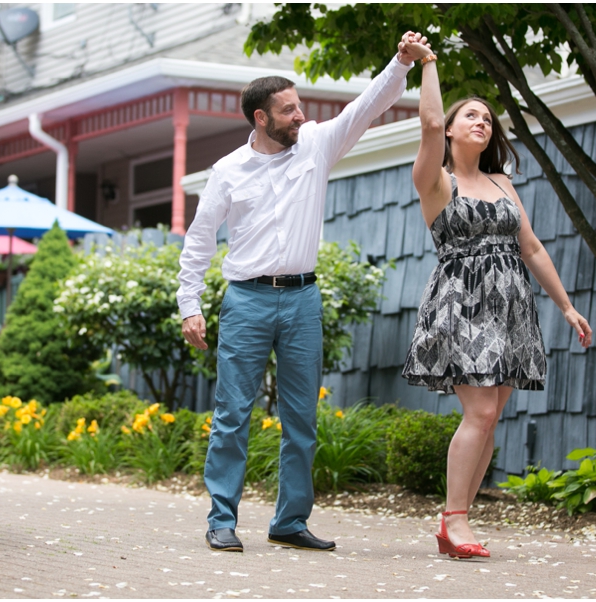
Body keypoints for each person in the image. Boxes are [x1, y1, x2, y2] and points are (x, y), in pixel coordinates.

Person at [177, 32, 429, 553]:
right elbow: (199, 241)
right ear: (260, 118)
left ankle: (289, 522)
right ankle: (221, 518)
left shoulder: (316, 144)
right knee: (232, 413)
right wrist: (190, 306)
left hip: (302, 300)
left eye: (299, 107)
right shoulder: (227, 171)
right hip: (245, 301)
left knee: (301, 417)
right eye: (288, 110)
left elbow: (366, 106)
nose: (300, 116)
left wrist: (400, 62)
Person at [400, 35, 594, 559]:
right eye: (471, 116)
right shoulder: (434, 180)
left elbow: (530, 247)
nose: (481, 122)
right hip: (462, 303)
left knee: (492, 415)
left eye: (487, 118)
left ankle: (456, 519)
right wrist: (431, 63)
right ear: (454, 129)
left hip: (510, 304)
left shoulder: (503, 183)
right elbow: (430, 125)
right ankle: (453, 520)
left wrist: (567, 305)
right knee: (480, 412)